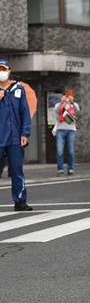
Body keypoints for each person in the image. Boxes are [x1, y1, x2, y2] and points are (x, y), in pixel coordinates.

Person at [0, 59, 33, 211]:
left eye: (3, 69)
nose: (1, 72)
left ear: (9, 71)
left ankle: (20, 201)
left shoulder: (18, 89)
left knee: (17, 170)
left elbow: (25, 112)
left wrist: (25, 133)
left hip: (14, 138)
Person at [54, 89, 80, 175]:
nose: (67, 98)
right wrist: (62, 103)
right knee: (59, 151)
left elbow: (77, 111)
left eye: (68, 96)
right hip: (60, 129)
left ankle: (71, 168)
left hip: (71, 129)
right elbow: (57, 111)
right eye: (65, 96)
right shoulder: (58, 105)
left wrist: (72, 102)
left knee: (71, 151)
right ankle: (60, 169)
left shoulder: (74, 105)